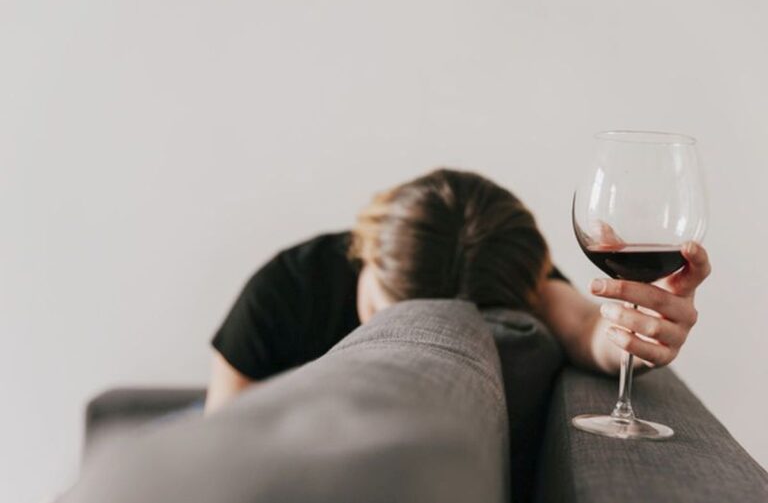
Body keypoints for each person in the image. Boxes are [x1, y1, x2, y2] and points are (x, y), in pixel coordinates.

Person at [205, 169, 710, 413]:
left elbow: (586, 329)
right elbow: (221, 426)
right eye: (385, 315)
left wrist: (642, 330)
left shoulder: (502, 277)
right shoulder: (287, 287)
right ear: (367, 248)